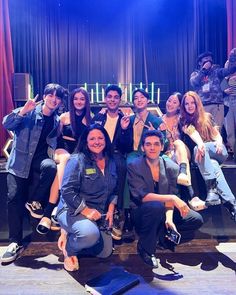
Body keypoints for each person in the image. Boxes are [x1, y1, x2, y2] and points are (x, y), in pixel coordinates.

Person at [1, 83, 66, 263]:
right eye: (51, 95)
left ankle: (34, 201)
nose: (54, 99)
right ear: (44, 96)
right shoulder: (28, 110)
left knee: (51, 167)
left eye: (58, 97)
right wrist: (22, 112)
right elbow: (6, 122)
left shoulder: (56, 120)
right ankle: (15, 242)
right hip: (20, 163)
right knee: (13, 198)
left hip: (39, 162)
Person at [127, 130, 203, 268]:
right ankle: (146, 249)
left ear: (162, 147)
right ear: (143, 147)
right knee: (156, 206)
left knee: (195, 219)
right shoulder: (134, 165)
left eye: (156, 144)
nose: (152, 147)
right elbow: (142, 197)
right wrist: (173, 198)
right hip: (141, 212)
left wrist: (169, 219)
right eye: (148, 144)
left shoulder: (172, 167)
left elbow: (170, 197)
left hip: (162, 211)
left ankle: (161, 235)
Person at [56, 124, 118, 271]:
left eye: (100, 138)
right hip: (72, 209)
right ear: (85, 141)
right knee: (90, 235)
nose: (97, 142)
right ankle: (69, 248)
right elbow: (67, 190)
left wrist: (111, 207)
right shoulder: (77, 160)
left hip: (97, 213)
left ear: (106, 140)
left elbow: (114, 189)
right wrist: (85, 210)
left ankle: (73, 234)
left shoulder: (111, 161)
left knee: (105, 252)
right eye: (92, 139)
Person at [36, 87, 91, 234]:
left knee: (74, 165)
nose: (78, 101)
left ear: (86, 101)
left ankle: (51, 213)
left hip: (78, 154)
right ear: (71, 101)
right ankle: (52, 208)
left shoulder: (90, 118)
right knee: (66, 160)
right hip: (61, 151)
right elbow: (54, 138)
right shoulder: (63, 117)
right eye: (76, 99)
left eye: (82, 99)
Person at [179, 91, 236, 222]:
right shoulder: (183, 120)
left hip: (216, 151)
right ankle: (232, 204)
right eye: (186, 103)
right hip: (202, 156)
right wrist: (200, 144)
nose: (189, 106)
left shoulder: (207, 116)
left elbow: (216, 134)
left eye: (192, 102)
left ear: (197, 103)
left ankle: (212, 190)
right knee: (213, 165)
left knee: (199, 149)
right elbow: (192, 133)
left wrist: (218, 143)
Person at [92, 84, 132, 240]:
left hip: (116, 153)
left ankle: (116, 213)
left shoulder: (125, 118)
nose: (113, 100)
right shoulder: (98, 117)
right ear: (105, 99)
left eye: (116, 97)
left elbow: (126, 145)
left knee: (120, 167)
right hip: (99, 152)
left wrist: (123, 130)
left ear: (120, 99)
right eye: (110, 97)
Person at [162, 92, 205, 210]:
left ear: (179, 106)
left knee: (178, 143)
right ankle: (192, 196)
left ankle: (183, 174)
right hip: (167, 154)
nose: (170, 104)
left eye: (174, 102)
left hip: (183, 152)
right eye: (169, 100)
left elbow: (192, 132)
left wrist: (200, 143)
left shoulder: (183, 119)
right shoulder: (160, 120)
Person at [190, 50, 236, 129]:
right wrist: (204, 70)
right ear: (200, 63)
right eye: (206, 58)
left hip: (217, 105)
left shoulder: (216, 71)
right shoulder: (196, 74)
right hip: (202, 106)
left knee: (216, 131)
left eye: (210, 59)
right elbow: (194, 83)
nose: (209, 60)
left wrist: (232, 56)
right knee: (203, 130)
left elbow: (230, 70)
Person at [221, 60, 236, 159]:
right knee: (229, 130)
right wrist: (224, 91)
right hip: (227, 105)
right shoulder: (223, 79)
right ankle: (234, 152)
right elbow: (217, 93)